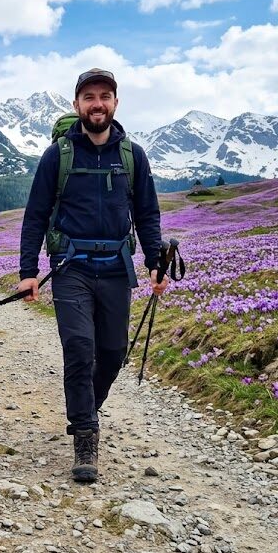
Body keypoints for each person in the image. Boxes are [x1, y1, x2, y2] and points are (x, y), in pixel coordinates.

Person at [17, 68, 168, 483]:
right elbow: (36, 215)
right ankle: (86, 435)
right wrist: (28, 271)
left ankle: (87, 407)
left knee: (115, 351)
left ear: (115, 103)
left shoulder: (132, 156)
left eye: (105, 96)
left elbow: (147, 213)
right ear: (77, 105)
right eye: (88, 97)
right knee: (81, 347)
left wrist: (155, 261)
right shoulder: (58, 155)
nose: (97, 103)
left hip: (117, 269)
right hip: (71, 268)